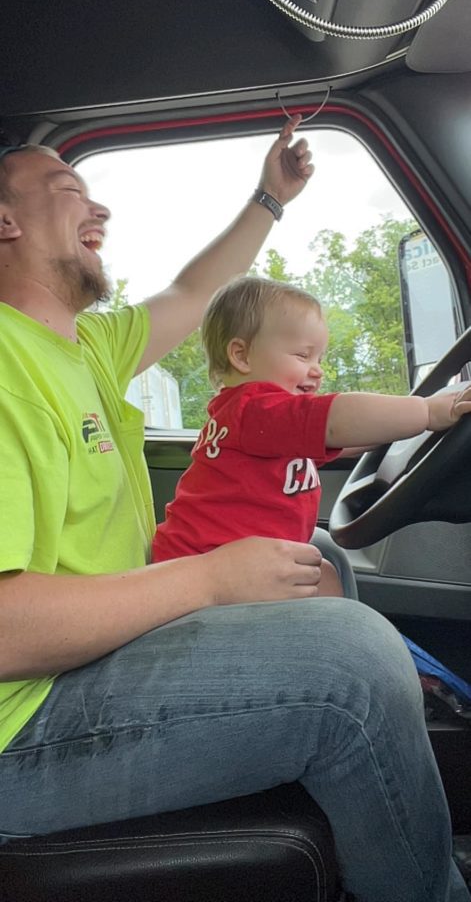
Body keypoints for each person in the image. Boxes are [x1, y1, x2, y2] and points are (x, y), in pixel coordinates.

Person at [0, 126, 469, 902]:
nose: (100, 207)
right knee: (351, 665)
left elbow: (193, 292)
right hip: (22, 728)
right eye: (69, 188)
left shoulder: (83, 346)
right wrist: (209, 579)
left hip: (83, 661)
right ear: (5, 220)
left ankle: (368, 794)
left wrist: (269, 200)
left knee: (319, 555)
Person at [152, 275, 471, 600]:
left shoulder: (267, 424)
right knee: (324, 579)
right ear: (242, 356)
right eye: (303, 356)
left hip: (220, 560)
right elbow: (338, 420)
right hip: (207, 570)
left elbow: (342, 439)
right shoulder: (255, 408)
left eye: (319, 358)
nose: (317, 370)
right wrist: (427, 413)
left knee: (325, 574)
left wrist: (392, 431)